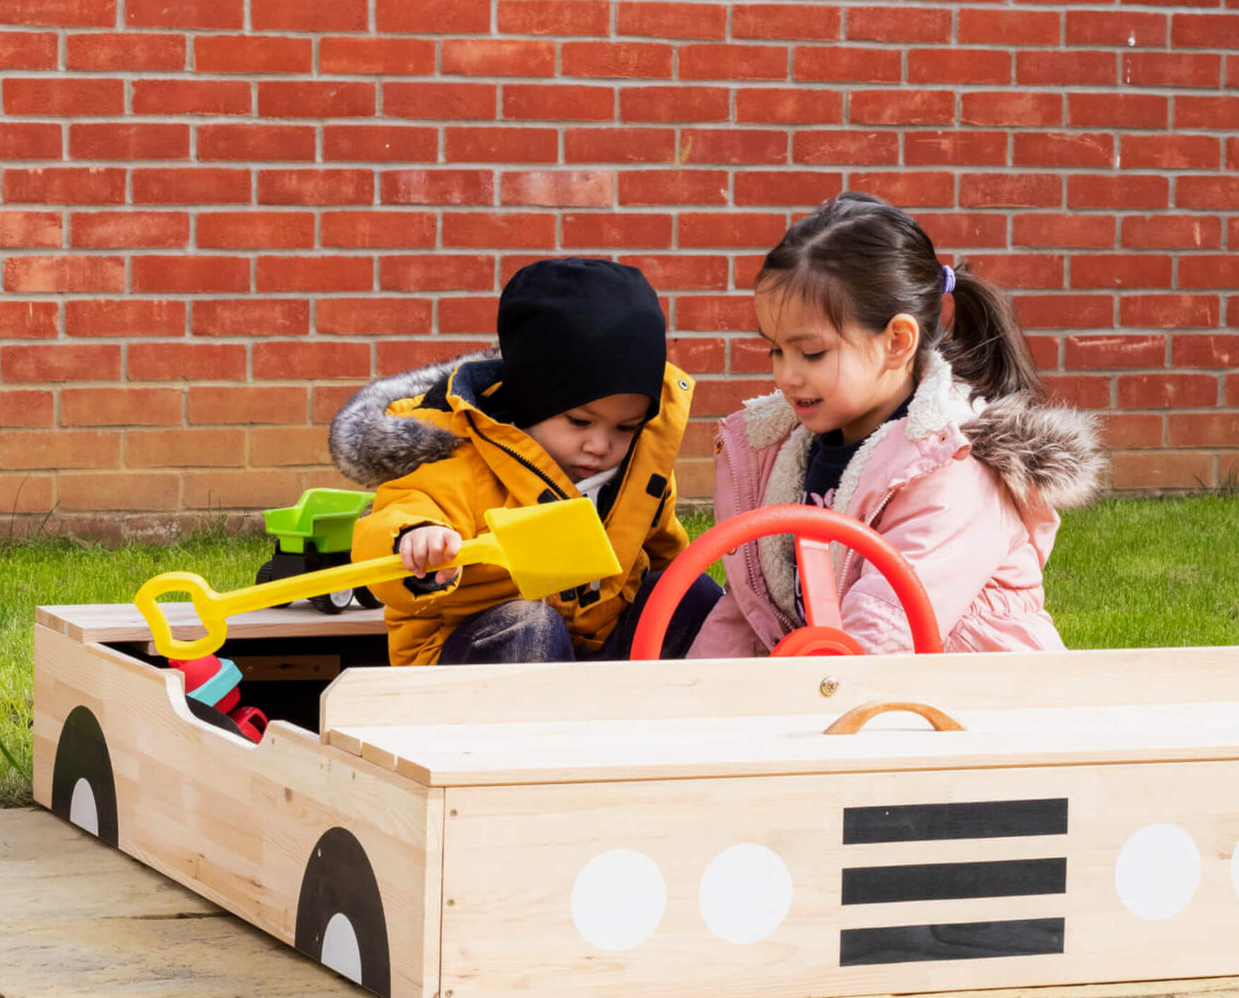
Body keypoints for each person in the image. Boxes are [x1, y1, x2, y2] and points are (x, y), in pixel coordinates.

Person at [687, 191, 1103, 658]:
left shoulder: (953, 468)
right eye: (776, 350)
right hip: (842, 693)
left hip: (967, 707)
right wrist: (692, 699)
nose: (786, 374)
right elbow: (751, 613)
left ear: (897, 342)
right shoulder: (778, 455)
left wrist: (805, 703)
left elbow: (888, 629)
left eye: (812, 353)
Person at [330, 257, 722, 666]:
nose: (600, 445)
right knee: (531, 625)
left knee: (690, 593)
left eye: (625, 427)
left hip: (596, 646)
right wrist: (415, 540)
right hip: (476, 658)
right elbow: (391, 523)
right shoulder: (461, 456)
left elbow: (666, 552)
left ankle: (681, 711)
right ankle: (542, 725)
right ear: (529, 402)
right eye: (580, 421)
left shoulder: (640, 469)